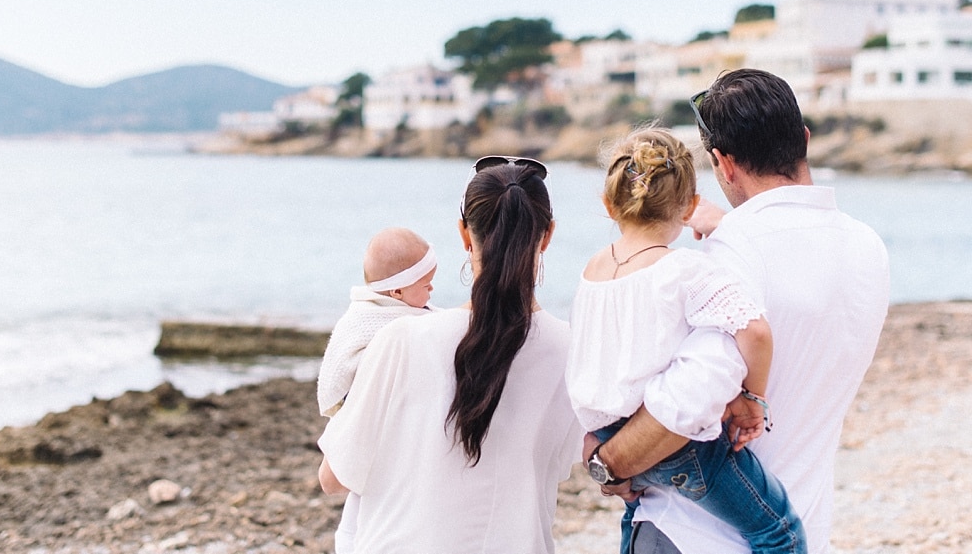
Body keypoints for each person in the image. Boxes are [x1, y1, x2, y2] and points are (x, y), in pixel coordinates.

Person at [588, 69, 890, 554]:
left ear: (723, 164)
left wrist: (608, 463)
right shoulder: (868, 247)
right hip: (803, 525)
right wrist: (731, 227)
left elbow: (686, 401)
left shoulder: (731, 251)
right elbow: (792, 277)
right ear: (803, 140)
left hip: (691, 534)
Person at [317, 156, 584, 554]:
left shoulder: (400, 339)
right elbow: (572, 460)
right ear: (547, 236)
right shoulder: (574, 350)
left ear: (463, 234)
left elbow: (334, 478)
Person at [568, 125, 805, 554]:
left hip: (607, 435)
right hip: (678, 450)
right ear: (690, 206)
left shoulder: (592, 269)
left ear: (608, 205)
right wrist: (754, 397)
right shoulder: (685, 270)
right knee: (778, 532)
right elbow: (754, 329)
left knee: (637, 513)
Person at [316, 226, 438, 554]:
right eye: (426, 285)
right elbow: (347, 357)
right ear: (397, 293)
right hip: (360, 406)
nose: (432, 291)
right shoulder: (375, 322)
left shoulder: (409, 317)